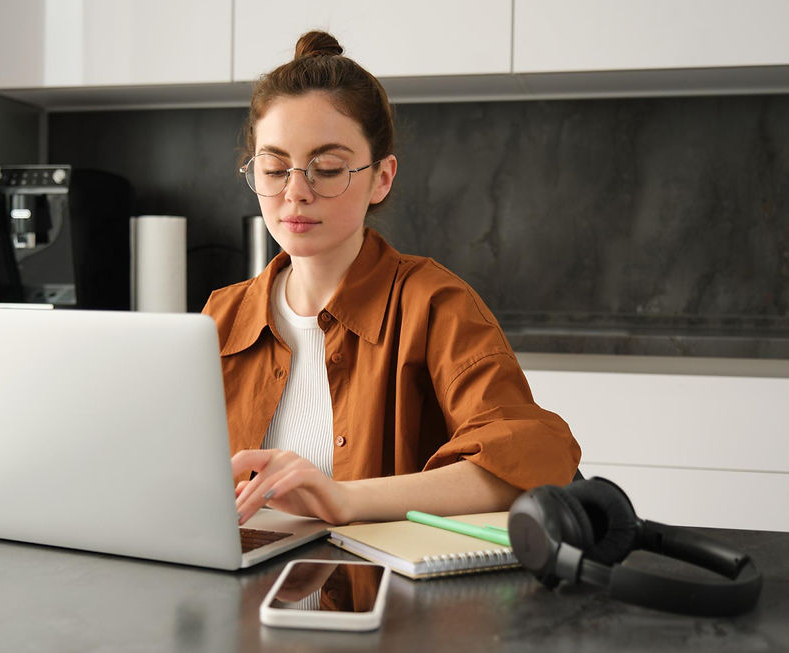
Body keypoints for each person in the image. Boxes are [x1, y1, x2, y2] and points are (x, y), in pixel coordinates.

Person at [203, 31, 580, 526]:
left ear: (381, 177)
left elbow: (530, 457)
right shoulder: (220, 316)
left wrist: (345, 500)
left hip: (383, 598)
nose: (296, 192)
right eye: (275, 169)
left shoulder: (433, 303)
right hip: (241, 598)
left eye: (328, 168)